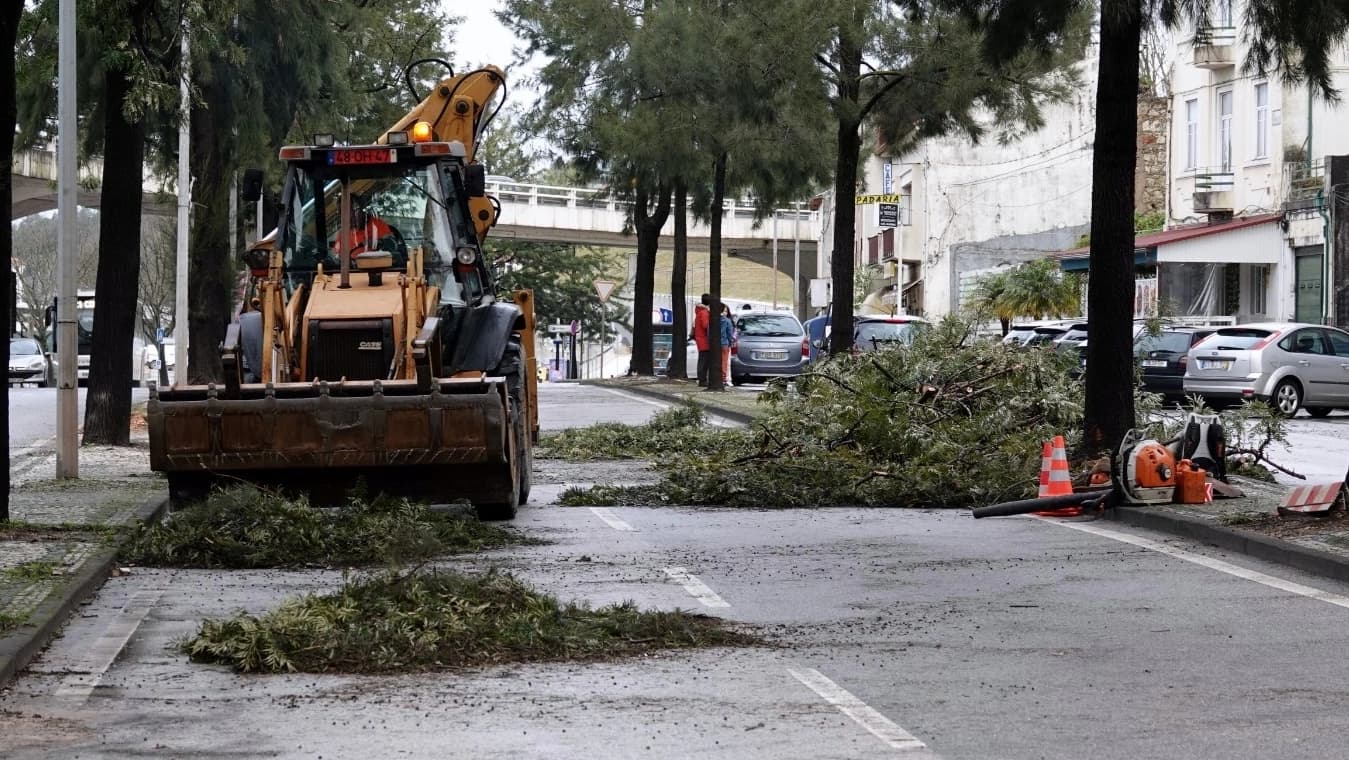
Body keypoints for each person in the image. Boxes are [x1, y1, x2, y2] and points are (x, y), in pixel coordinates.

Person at [690, 293, 712, 387]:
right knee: (704, 361)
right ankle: (702, 379)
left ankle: (702, 378)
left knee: (703, 360)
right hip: (704, 340)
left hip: (700, 339)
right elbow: (706, 325)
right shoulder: (704, 313)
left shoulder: (700, 312)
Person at [719, 303, 735, 385]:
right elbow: (729, 333)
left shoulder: (712, 320)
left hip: (715, 344)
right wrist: (730, 342)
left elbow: (709, 332)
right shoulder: (727, 321)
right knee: (724, 362)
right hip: (724, 344)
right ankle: (723, 378)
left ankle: (714, 377)